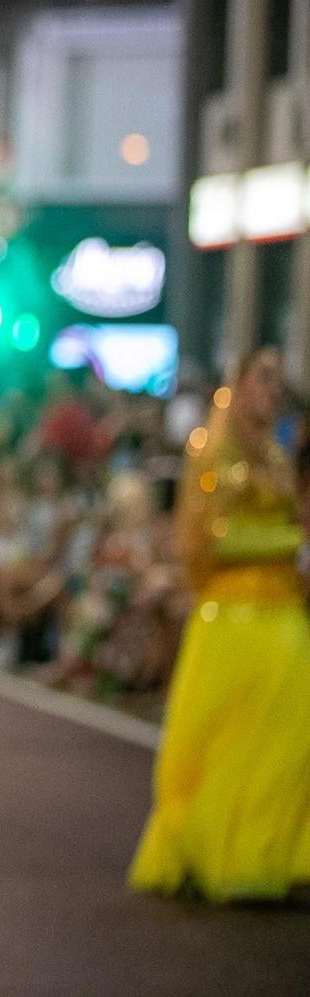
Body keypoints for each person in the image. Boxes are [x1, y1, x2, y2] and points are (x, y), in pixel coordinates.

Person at [131, 348, 310, 902]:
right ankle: (223, 853)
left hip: (283, 617)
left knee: (286, 746)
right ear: (238, 381)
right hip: (233, 618)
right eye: (262, 377)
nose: (272, 390)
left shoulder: (277, 456)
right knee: (226, 745)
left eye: (278, 380)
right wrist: (295, 545)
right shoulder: (213, 450)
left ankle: (271, 855)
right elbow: (214, 541)